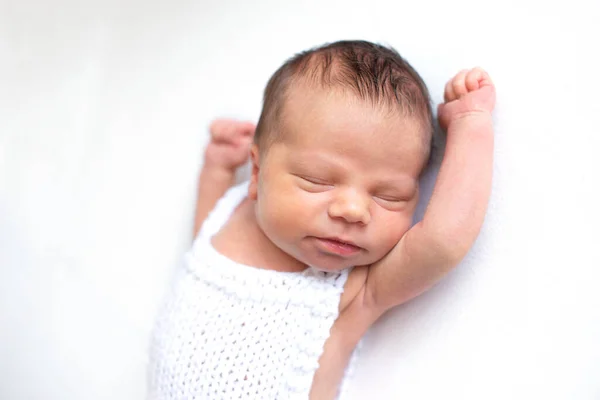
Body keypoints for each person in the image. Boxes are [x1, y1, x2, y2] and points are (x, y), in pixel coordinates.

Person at [148, 40, 496, 399]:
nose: (352, 210)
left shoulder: (353, 291)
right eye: (318, 181)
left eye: (388, 196)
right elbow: (201, 239)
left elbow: (441, 242)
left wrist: (471, 126)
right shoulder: (227, 215)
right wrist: (218, 167)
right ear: (256, 172)